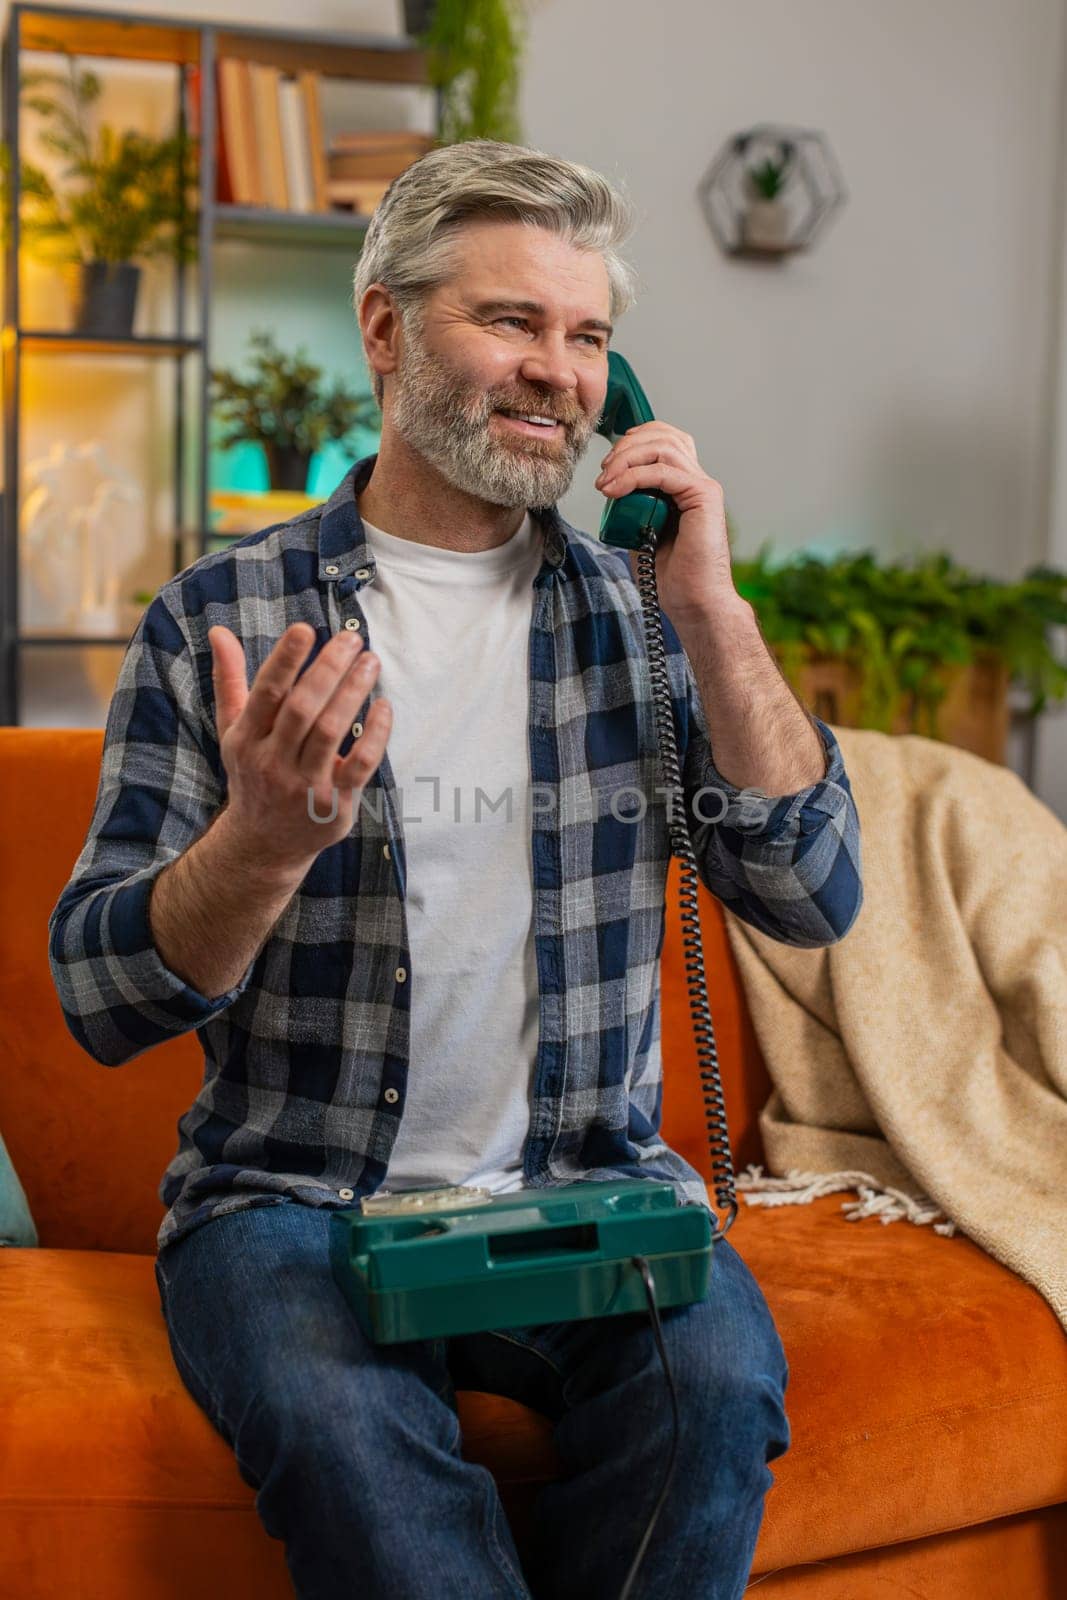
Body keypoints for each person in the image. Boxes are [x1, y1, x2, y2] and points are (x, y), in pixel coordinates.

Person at [49, 139, 863, 1599]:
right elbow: (101, 997)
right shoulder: (220, 617)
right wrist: (258, 843)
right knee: (334, 1426)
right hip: (292, 1204)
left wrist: (715, 612)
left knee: (720, 1395)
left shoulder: (644, 611)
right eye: (511, 321)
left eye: (590, 335)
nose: (560, 370)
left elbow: (815, 896)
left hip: (590, 1187)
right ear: (385, 328)